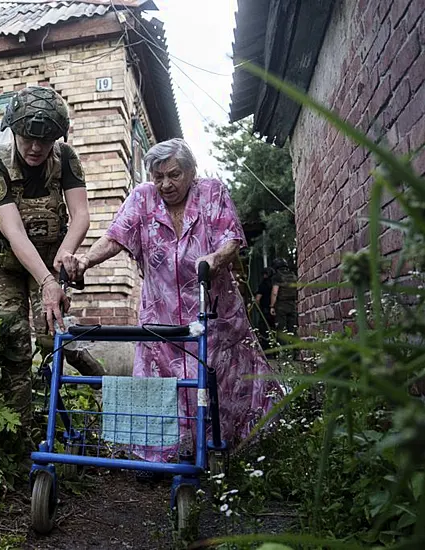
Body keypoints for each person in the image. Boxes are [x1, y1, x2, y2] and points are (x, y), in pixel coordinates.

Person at [63, 138, 281, 462]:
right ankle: (157, 457)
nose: (165, 184)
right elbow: (114, 238)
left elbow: (231, 240)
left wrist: (214, 259)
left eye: (174, 175)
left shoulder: (211, 192)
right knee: (159, 385)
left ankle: (227, 453)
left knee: (217, 383)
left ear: (191, 171)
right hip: (160, 316)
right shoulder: (142, 198)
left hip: (212, 313)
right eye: (158, 176)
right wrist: (84, 262)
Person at [0, 86, 105, 438]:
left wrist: (64, 256)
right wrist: (48, 282)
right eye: (27, 138)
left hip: (49, 258)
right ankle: (21, 434)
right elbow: (13, 231)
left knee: (52, 338)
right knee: (12, 341)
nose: (35, 147)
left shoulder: (65, 158)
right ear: (13, 131)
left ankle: (80, 373)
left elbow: (80, 215)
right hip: (4, 263)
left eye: (44, 140)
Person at [270, 258, 298, 340]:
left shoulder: (277, 276)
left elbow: (275, 292)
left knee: (281, 331)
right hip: (292, 304)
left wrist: (272, 306)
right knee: (292, 329)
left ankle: (284, 351)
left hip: (281, 305)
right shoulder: (293, 275)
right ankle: (295, 350)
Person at [254, 267, 276, 349]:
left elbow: (258, 299)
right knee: (275, 330)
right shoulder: (275, 284)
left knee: (264, 330)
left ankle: (267, 350)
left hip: (265, 311)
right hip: (275, 310)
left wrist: (258, 308)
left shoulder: (263, 285)